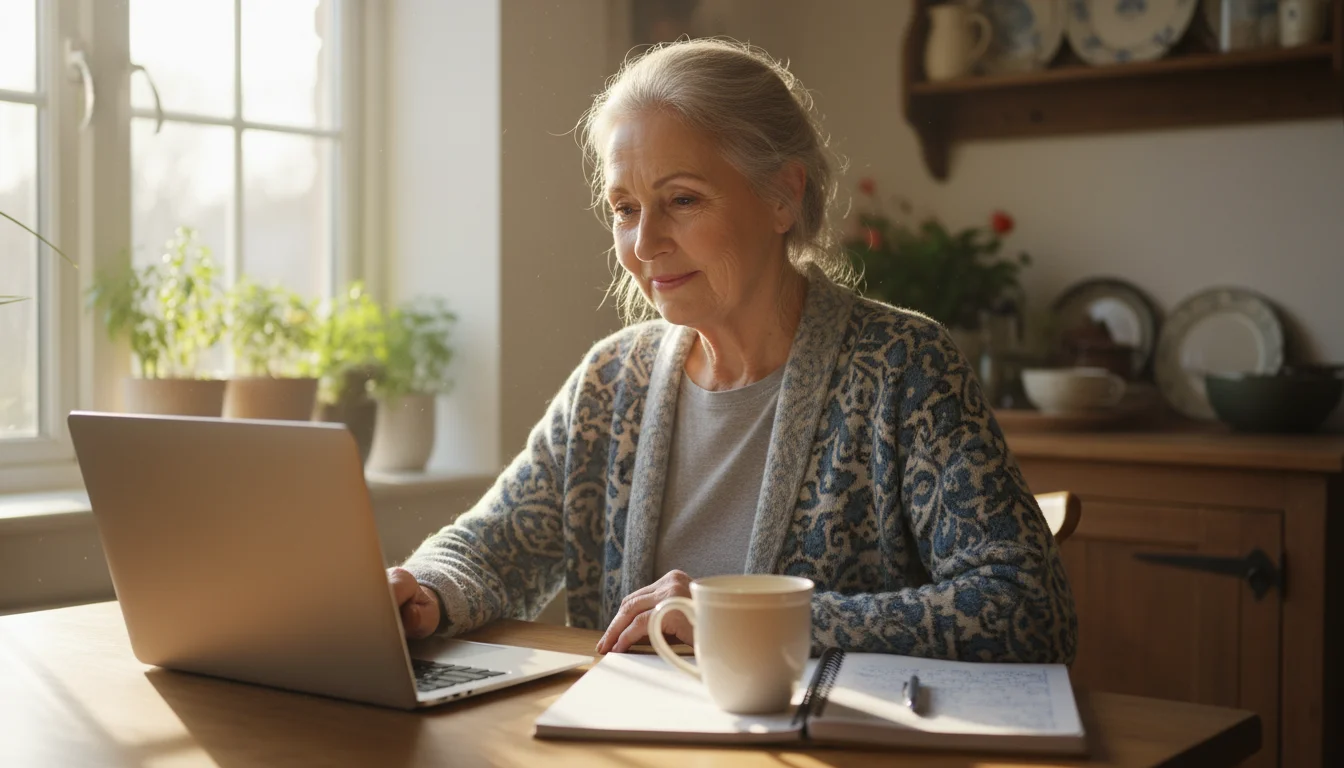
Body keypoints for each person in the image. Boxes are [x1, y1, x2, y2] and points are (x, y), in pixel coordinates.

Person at [387, 38, 1077, 662]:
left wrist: (744, 615)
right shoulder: (611, 380)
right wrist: (426, 590)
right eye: (625, 207)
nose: (644, 241)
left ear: (782, 195)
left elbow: (1029, 609)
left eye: (681, 199)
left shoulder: (904, 366)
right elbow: (494, 547)